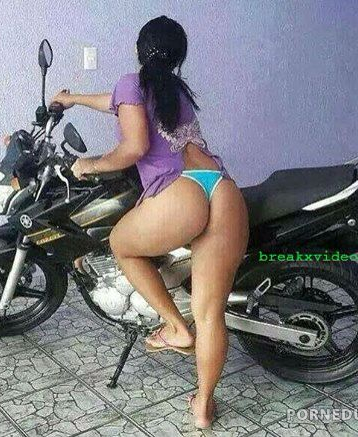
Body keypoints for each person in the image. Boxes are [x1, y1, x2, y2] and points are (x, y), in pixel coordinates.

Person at [50, 15, 249, 430]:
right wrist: (73, 98)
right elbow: (115, 101)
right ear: (179, 56)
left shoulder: (133, 83)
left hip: (182, 193)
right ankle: (203, 406)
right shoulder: (174, 90)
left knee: (121, 245)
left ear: (139, 49)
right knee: (210, 313)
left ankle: (174, 327)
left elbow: (134, 147)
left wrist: (88, 164)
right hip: (222, 187)